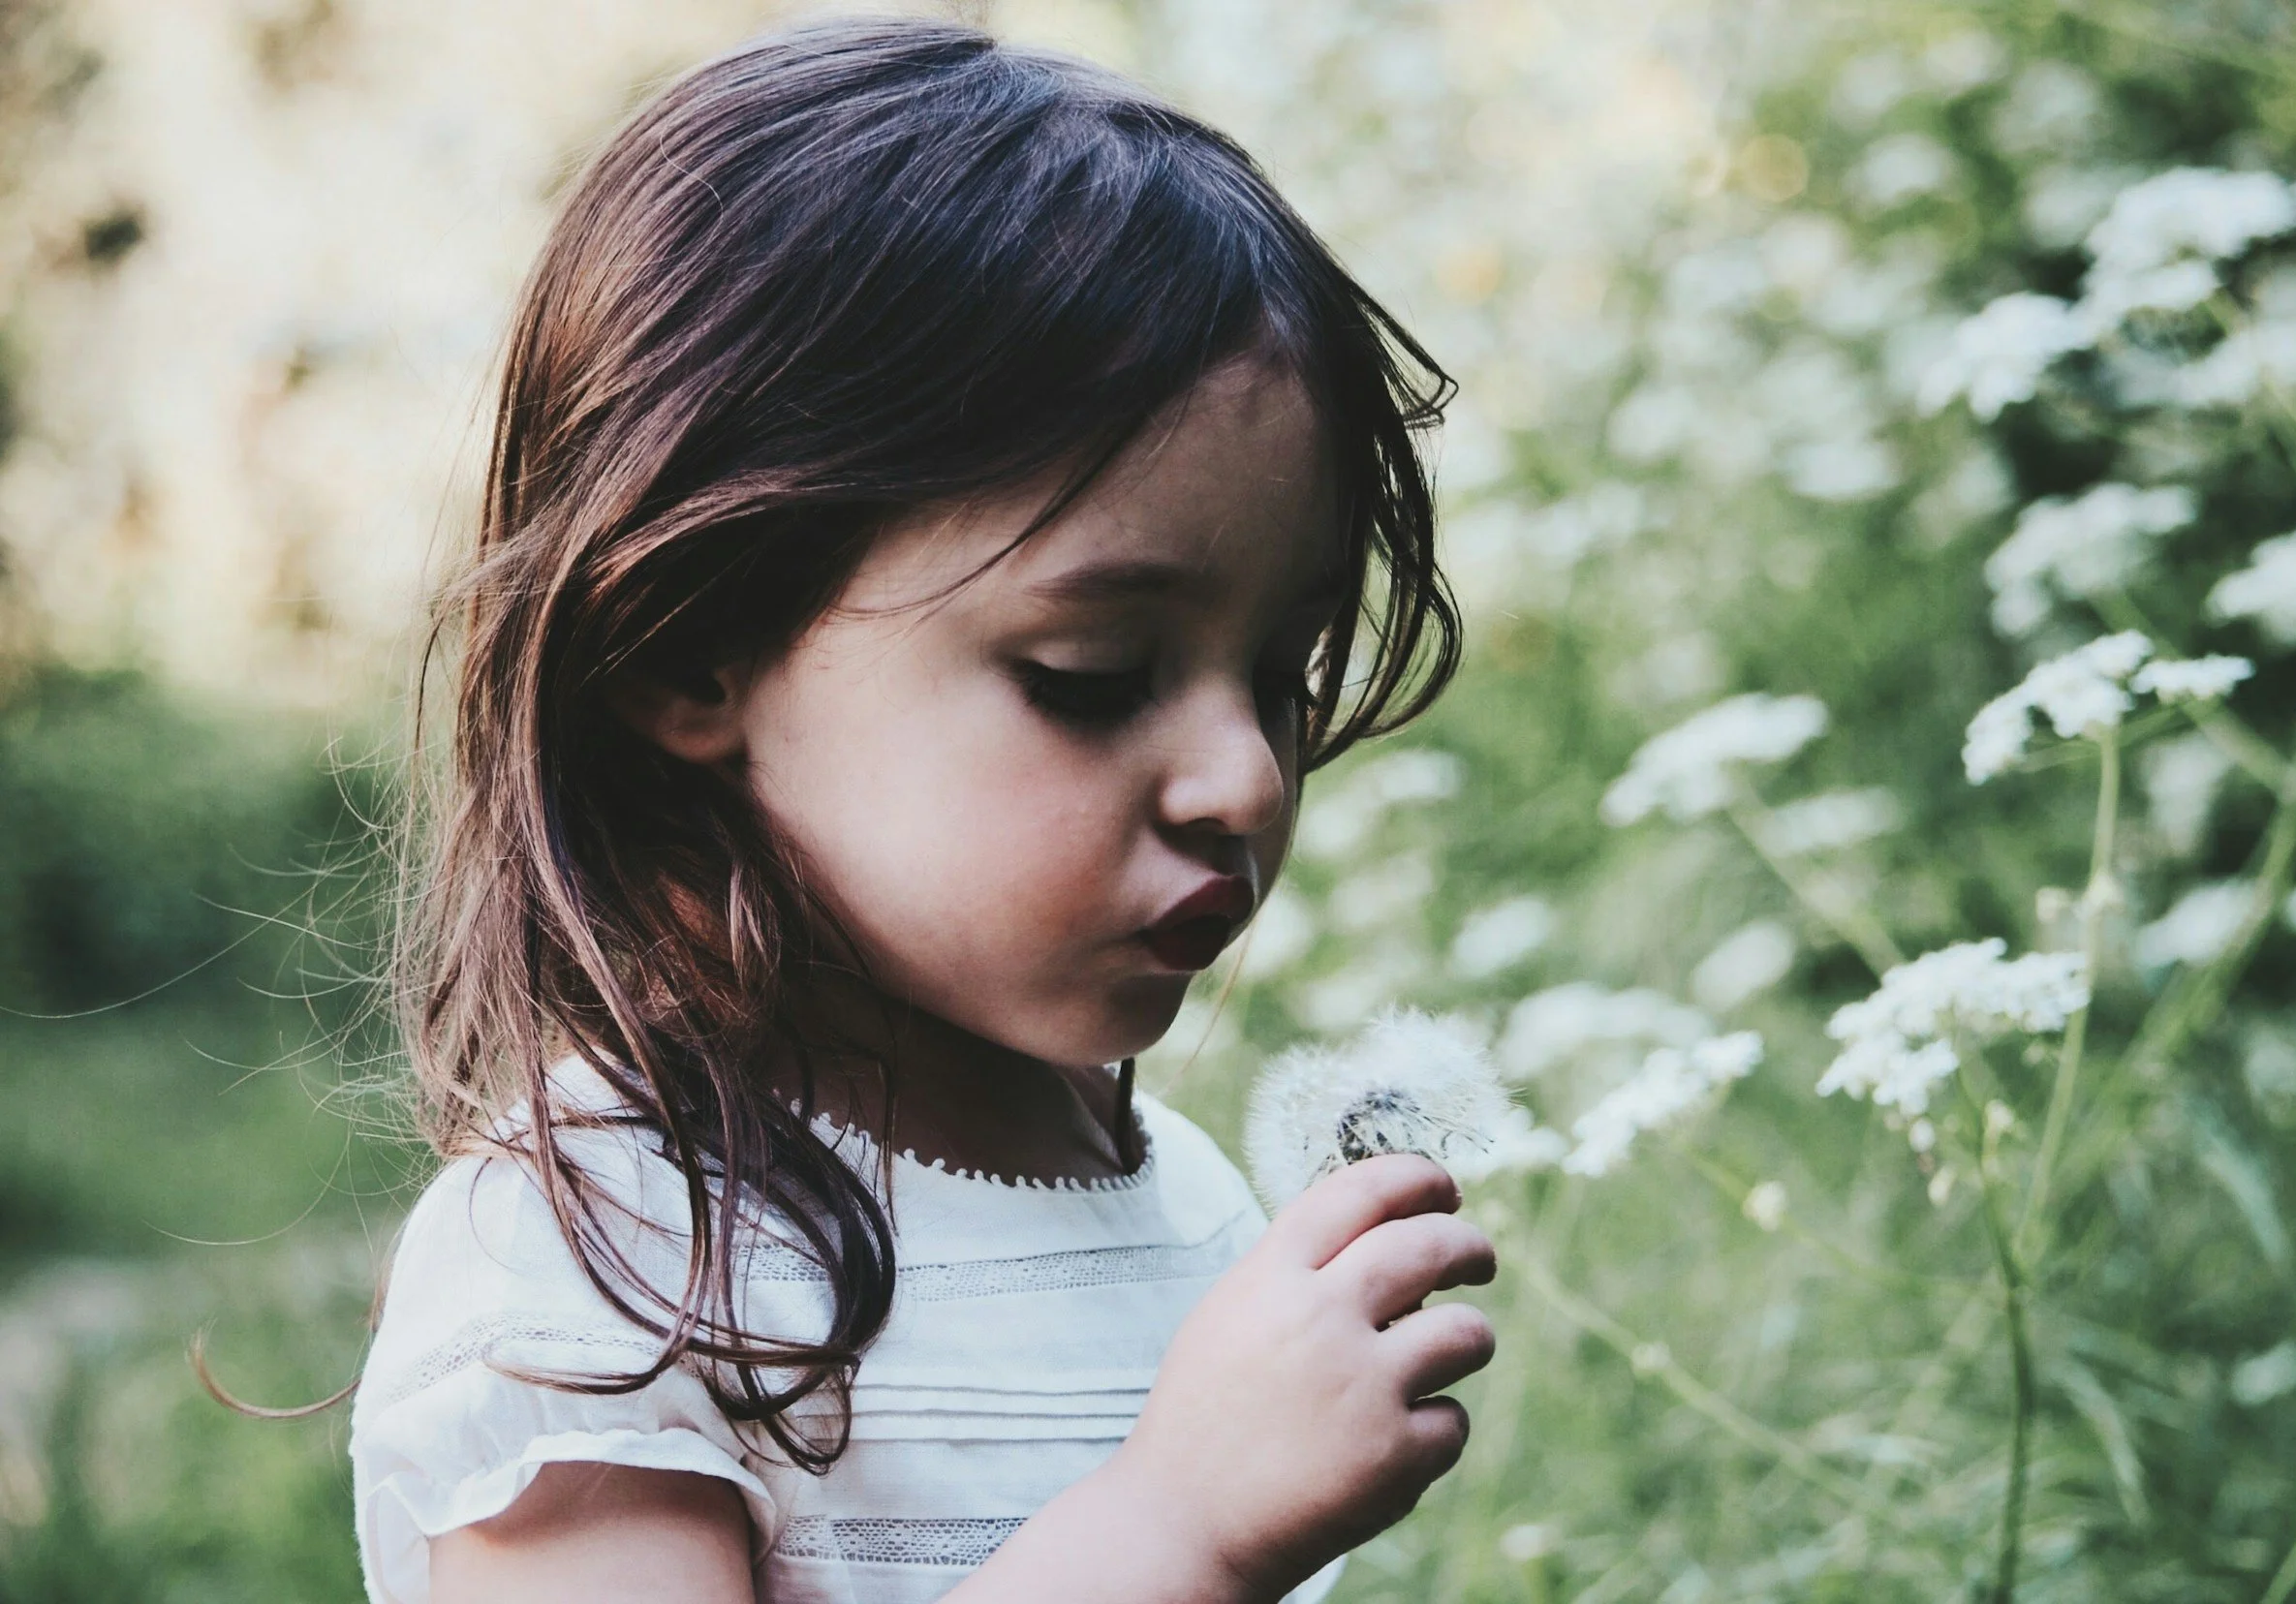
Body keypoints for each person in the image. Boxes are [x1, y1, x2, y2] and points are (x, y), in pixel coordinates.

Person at [350, 17, 1494, 1604]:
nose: (1245, 777)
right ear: (691, 645)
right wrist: (1179, 1531)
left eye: (1285, 670)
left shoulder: (1191, 1206)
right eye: (1092, 673)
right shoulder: (589, 1273)